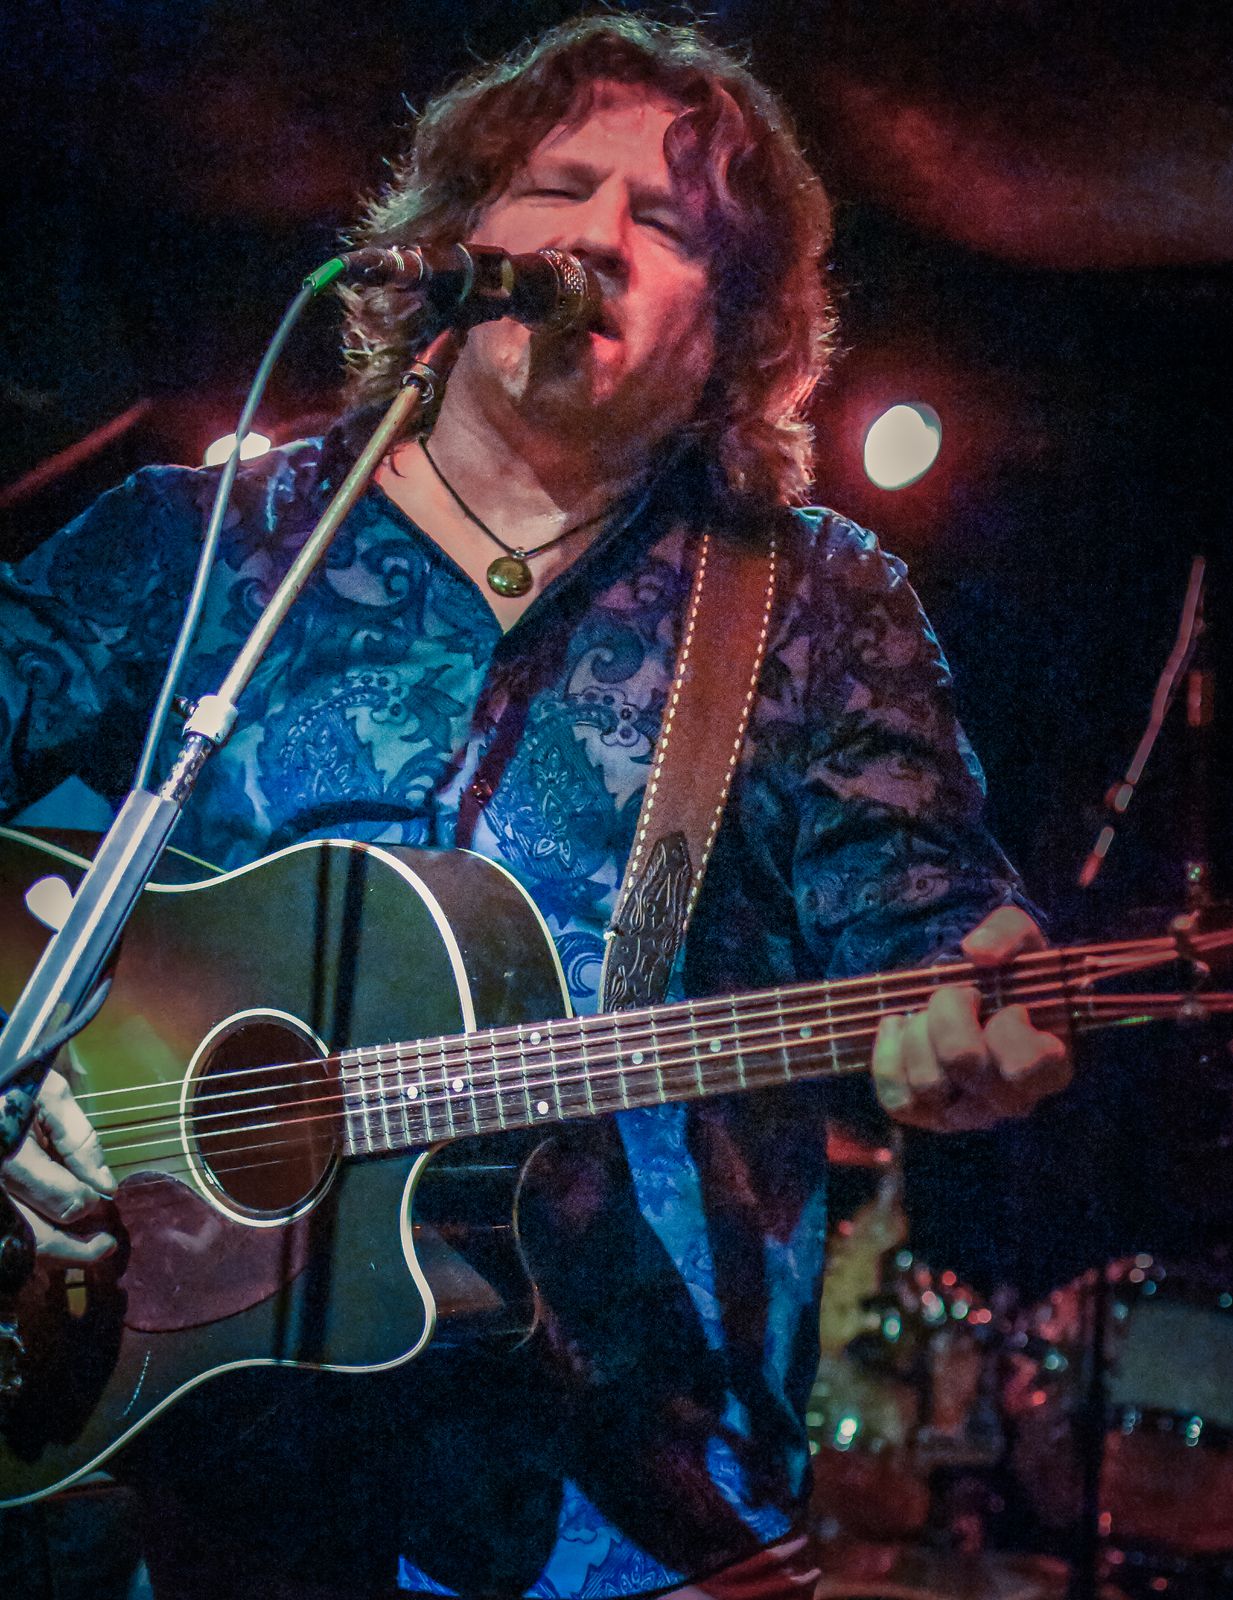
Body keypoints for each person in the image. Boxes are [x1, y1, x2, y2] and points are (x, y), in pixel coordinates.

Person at [0, 15, 1070, 1599]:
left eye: (665, 222)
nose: (594, 238)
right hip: (195, 1457)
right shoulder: (206, 538)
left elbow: (927, 926)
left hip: (623, 1495)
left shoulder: (814, 603)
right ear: (458, 244)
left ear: (733, 334)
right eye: (558, 189)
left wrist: (971, 1008)